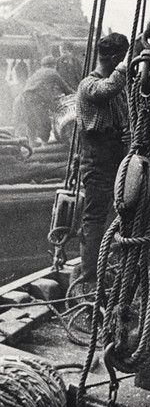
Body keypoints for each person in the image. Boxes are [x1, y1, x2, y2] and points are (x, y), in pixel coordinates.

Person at [76, 32, 130, 288]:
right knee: (95, 218)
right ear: (112, 58)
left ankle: (106, 264)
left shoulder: (115, 88)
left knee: (117, 213)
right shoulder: (89, 85)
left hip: (115, 156)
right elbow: (105, 91)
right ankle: (89, 278)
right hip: (97, 160)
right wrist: (127, 63)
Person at [13, 56, 73, 145]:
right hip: (36, 100)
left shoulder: (37, 73)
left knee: (31, 123)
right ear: (53, 65)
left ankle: (31, 147)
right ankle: (44, 147)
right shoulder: (52, 72)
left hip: (24, 99)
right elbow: (66, 89)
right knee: (44, 124)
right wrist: (77, 94)